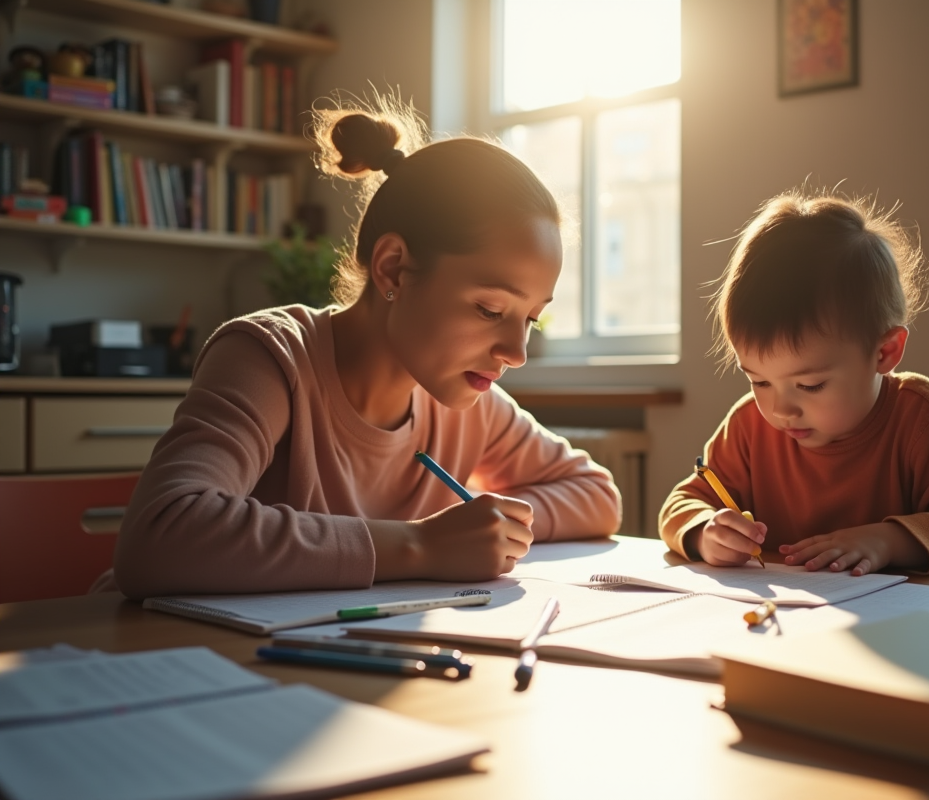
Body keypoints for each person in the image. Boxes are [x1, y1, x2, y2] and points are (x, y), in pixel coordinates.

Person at [110, 100, 621, 598]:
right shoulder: (271, 359)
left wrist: (485, 528)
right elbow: (160, 534)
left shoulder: (469, 406)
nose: (516, 352)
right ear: (393, 268)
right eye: (490, 310)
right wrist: (422, 544)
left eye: (529, 318)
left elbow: (596, 495)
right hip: (167, 662)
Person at [659, 190, 929, 575]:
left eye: (810, 385)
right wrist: (704, 532)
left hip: (896, 627)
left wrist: (888, 540)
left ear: (885, 353)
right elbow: (682, 503)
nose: (780, 409)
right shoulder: (748, 426)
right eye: (758, 381)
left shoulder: (920, 416)